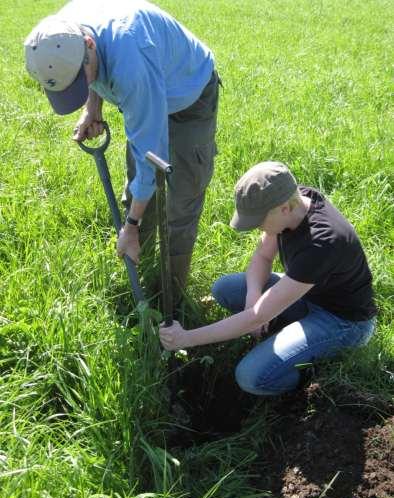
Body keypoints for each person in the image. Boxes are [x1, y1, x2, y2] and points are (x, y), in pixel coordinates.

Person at [24, 0, 220, 301]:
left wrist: (129, 225)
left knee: (181, 196)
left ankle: (171, 297)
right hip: (146, 84)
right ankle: (141, 267)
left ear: (88, 44)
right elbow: (88, 68)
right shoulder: (58, 35)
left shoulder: (131, 63)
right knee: (140, 190)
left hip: (187, 94)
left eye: (79, 80)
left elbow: (151, 156)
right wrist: (93, 106)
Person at [159, 161, 377, 396]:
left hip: (342, 322)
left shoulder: (321, 243)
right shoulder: (295, 201)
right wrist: (254, 296)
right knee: (224, 288)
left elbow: (256, 318)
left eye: (259, 221)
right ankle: (288, 332)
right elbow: (263, 256)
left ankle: (307, 377)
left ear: (283, 208)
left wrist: (186, 339)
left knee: (251, 377)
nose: (256, 228)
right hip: (308, 293)